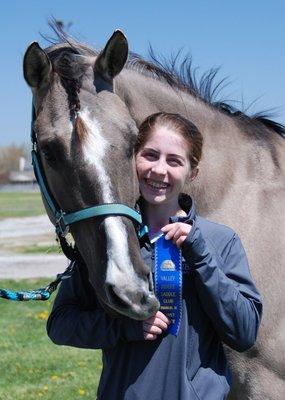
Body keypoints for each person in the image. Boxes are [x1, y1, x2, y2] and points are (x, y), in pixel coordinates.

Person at [47, 112, 262, 400]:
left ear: (192, 172)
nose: (159, 170)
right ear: (133, 159)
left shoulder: (219, 241)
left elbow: (244, 332)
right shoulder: (109, 240)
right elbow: (61, 325)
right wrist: (123, 327)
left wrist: (201, 258)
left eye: (174, 160)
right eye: (150, 155)